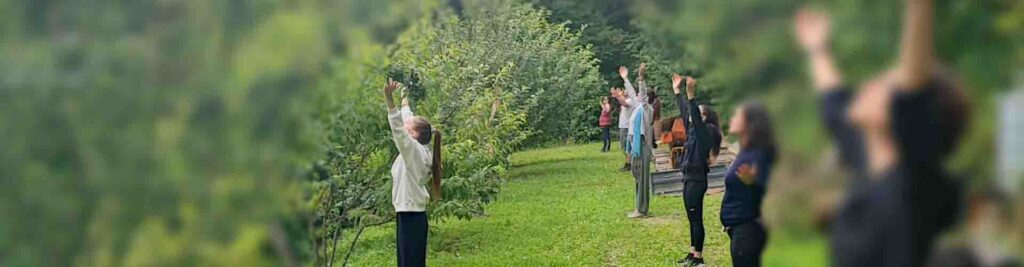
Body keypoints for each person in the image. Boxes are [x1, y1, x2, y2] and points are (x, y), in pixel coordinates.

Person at [794, 0, 969, 265]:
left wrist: (918, 8)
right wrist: (818, 49)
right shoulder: (869, 161)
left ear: (902, 115)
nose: (869, 83)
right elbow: (835, 105)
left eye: (885, 85)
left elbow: (914, 95)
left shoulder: (913, 184)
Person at [383, 78, 442, 267]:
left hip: (411, 217)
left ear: (414, 136)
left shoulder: (413, 151)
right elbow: (407, 120)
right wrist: (404, 98)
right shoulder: (420, 149)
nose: (405, 125)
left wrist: (388, 99)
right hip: (409, 215)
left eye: (409, 128)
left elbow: (399, 131)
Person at [720, 101, 777, 267]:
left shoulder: (758, 154)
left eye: (737, 115)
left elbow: (773, 189)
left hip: (749, 232)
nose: (732, 118)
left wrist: (754, 182)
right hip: (739, 230)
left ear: (749, 122)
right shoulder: (746, 151)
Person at [671, 74, 716, 267]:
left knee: (696, 219)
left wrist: (691, 95)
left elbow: (694, 119)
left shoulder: (705, 132)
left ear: (704, 117)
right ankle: (692, 254)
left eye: (697, 112)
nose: (692, 115)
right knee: (692, 218)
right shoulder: (692, 131)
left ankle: (699, 258)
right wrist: (677, 92)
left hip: (697, 180)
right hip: (689, 178)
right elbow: (685, 113)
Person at [615, 64, 655, 218]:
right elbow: (631, 93)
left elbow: (641, 93)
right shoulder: (638, 108)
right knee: (637, 175)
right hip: (636, 146)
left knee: (642, 178)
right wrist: (625, 78)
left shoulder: (646, 109)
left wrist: (641, 78)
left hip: (643, 146)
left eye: (640, 95)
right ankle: (639, 207)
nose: (637, 95)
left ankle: (642, 209)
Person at [614, 65, 640, 172]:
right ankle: (629, 162)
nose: (624, 91)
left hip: (626, 127)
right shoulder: (630, 100)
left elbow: (624, 103)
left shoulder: (631, 101)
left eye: (625, 90)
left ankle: (629, 163)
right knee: (626, 146)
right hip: (625, 126)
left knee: (626, 146)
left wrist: (617, 96)